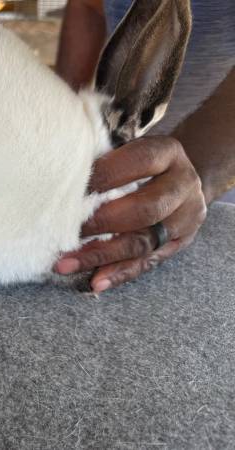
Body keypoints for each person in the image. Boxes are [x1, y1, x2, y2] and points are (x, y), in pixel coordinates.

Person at [53, 0, 235, 292]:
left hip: (212, 188)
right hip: (117, 162)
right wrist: (64, 121)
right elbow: (88, 6)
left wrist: (193, 180)